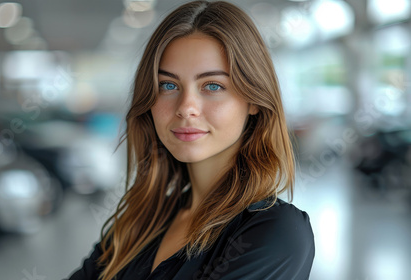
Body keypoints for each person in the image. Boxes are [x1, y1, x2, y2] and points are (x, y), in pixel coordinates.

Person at [66, 1, 315, 279]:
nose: (186, 107)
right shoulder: (140, 222)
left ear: (254, 101)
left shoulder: (275, 232)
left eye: (213, 86)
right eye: (168, 85)